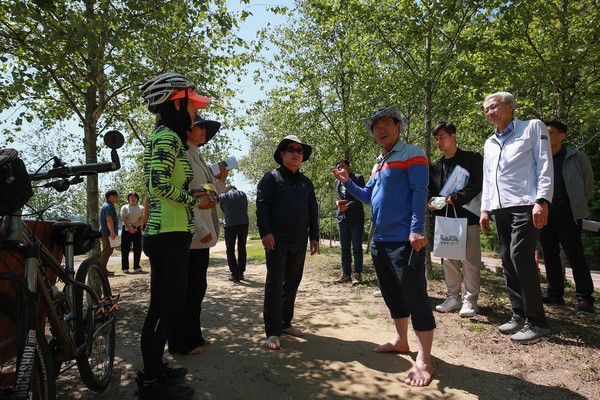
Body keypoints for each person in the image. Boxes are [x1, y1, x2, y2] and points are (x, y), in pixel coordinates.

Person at [333, 105, 435, 387]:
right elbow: (368, 197)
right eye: (376, 128)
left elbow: (419, 191)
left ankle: (424, 359)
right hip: (380, 241)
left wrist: (417, 229)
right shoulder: (379, 161)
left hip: (405, 240)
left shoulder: (413, 153)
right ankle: (401, 341)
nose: (381, 130)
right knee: (393, 295)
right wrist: (348, 182)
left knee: (415, 296)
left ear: (398, 126)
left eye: (387, 124)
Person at [137, 72, 214, 400]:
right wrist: (193, 199)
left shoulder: (171, 136)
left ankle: (158, 369)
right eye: (192, 104)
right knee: (163, 306)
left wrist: (194, 195)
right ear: (176, 102)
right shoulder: (166, 138)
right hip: (164, 232)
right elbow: (157, 186)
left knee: (175, 301)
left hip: (175, 233)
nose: (196, 111)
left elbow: (169, 183)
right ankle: (152, 382)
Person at [480, 92, 554, 345]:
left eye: (493, 106)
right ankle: (519, 314)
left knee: (520, 257)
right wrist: (484, 209)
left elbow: (544, 163)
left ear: (510, 106)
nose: (489, 112)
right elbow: (488, 178)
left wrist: (542, 200)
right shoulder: (490, 142)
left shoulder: (532, 127)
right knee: (507, 259)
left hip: (525, 204)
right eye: (485, 109)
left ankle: (537, 322)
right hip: (500, 207)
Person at [168, 115, 227, 356]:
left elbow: (212, 191)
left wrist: (221, 179)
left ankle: (194, 335)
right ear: (187, 129)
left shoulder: (196, 155)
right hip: (192, 232)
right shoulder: (183, 155)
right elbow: (186, 195)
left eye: (204, 127)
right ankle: (180, 342)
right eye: (199, 125)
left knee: (197, 287)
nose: (203, 130)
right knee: (187, 289)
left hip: (201, 231)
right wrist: (200, 229)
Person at [257, 135, 319, 351]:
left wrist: (315, 237)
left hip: (299, 240)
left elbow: (313, 211)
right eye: (291, 149)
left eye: (299, 151)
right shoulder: (271, 178)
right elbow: (262, 205)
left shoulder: (306, 183)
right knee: (275, 284)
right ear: (282, 154)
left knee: (292, 282)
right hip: (277, 241)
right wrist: (265, 232)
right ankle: (273, 332)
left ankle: (285, 323)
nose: (295, 153)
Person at [538, 120, 595, 314]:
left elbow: (587, 185)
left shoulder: (576, 157)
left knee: (575, 254)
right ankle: (555, 294)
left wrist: (576, 205)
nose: (545, 136)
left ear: (562, 135)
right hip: (544, 210)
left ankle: (585, 299)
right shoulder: (539, 157)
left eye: (549, 132)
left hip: (568, 211)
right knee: (550, 254)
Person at [428, 121, 483, 317]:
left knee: (470, 260)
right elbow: (431, 193)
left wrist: (455, 198)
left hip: (467, 217)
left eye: (442, 137)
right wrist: (431, 204)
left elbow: (477, 184)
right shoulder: (435, 167)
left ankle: (471, 300)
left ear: (454, 136)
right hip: (445, 219)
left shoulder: (472, 159)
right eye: (436, 139)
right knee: (449, 260)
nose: (438, 142)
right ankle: (453, 296)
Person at [333, 159, 365, 285]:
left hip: (356, 218)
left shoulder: (357, 178)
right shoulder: (337, 181)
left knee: (357, 247)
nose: (340, 168)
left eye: (342, 166)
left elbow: (363, 197)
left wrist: (349, 205)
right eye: (338, 167)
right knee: (344, 248)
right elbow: (342, 197)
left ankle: (357, 274)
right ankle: (346, 275)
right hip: (342, 217)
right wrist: (340, 205)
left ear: (348, 167)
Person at [219, 186, 249, 282]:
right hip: (244, 223)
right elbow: (246, 208)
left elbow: (224, 210)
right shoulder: (243, 194)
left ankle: (235, 274)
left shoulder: (222, 196)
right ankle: (241, 273)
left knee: (230, 249)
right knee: (242, 248)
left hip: (230, 224)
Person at [120, 191, 144, 274]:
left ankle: (136, 266)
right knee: (125, 249)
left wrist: (134, 227)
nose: (133, 199)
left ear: (137, 199)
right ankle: (125, 268)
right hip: (126, 229)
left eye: (135, 197)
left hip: (137, 229)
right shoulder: (125, 207)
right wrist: (129, 227)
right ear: (128, 199)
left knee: (137, 248)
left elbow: (142, 219)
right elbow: (124, 218)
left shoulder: (141, 208)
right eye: (131, 197)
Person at [99, 189, 118, 276]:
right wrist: (112, 232)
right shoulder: (109, 206)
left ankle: (103, 269)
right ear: (111, 197)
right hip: (107, 233)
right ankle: (101, 271)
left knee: (108, 251)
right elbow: (109, 219)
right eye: (116, 196)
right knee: (106, 251)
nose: (117, 198)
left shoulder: (107, 205)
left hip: (106, 232)